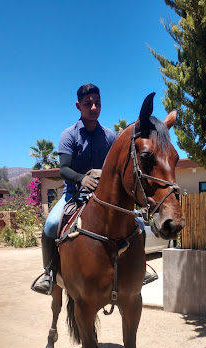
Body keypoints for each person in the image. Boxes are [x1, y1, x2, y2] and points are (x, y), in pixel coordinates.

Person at [32, 83, 157, 294]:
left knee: (136, 222)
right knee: (52, 223)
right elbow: (63, 169)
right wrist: (81, 179)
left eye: (97, 103)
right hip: (74, 195)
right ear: (78, 106)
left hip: (105, 196)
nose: (93, 107)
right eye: (88, 103)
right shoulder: (69, 135)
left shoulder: (109, 137)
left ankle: (141, 269)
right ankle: (49, 274)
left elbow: (118, 167)